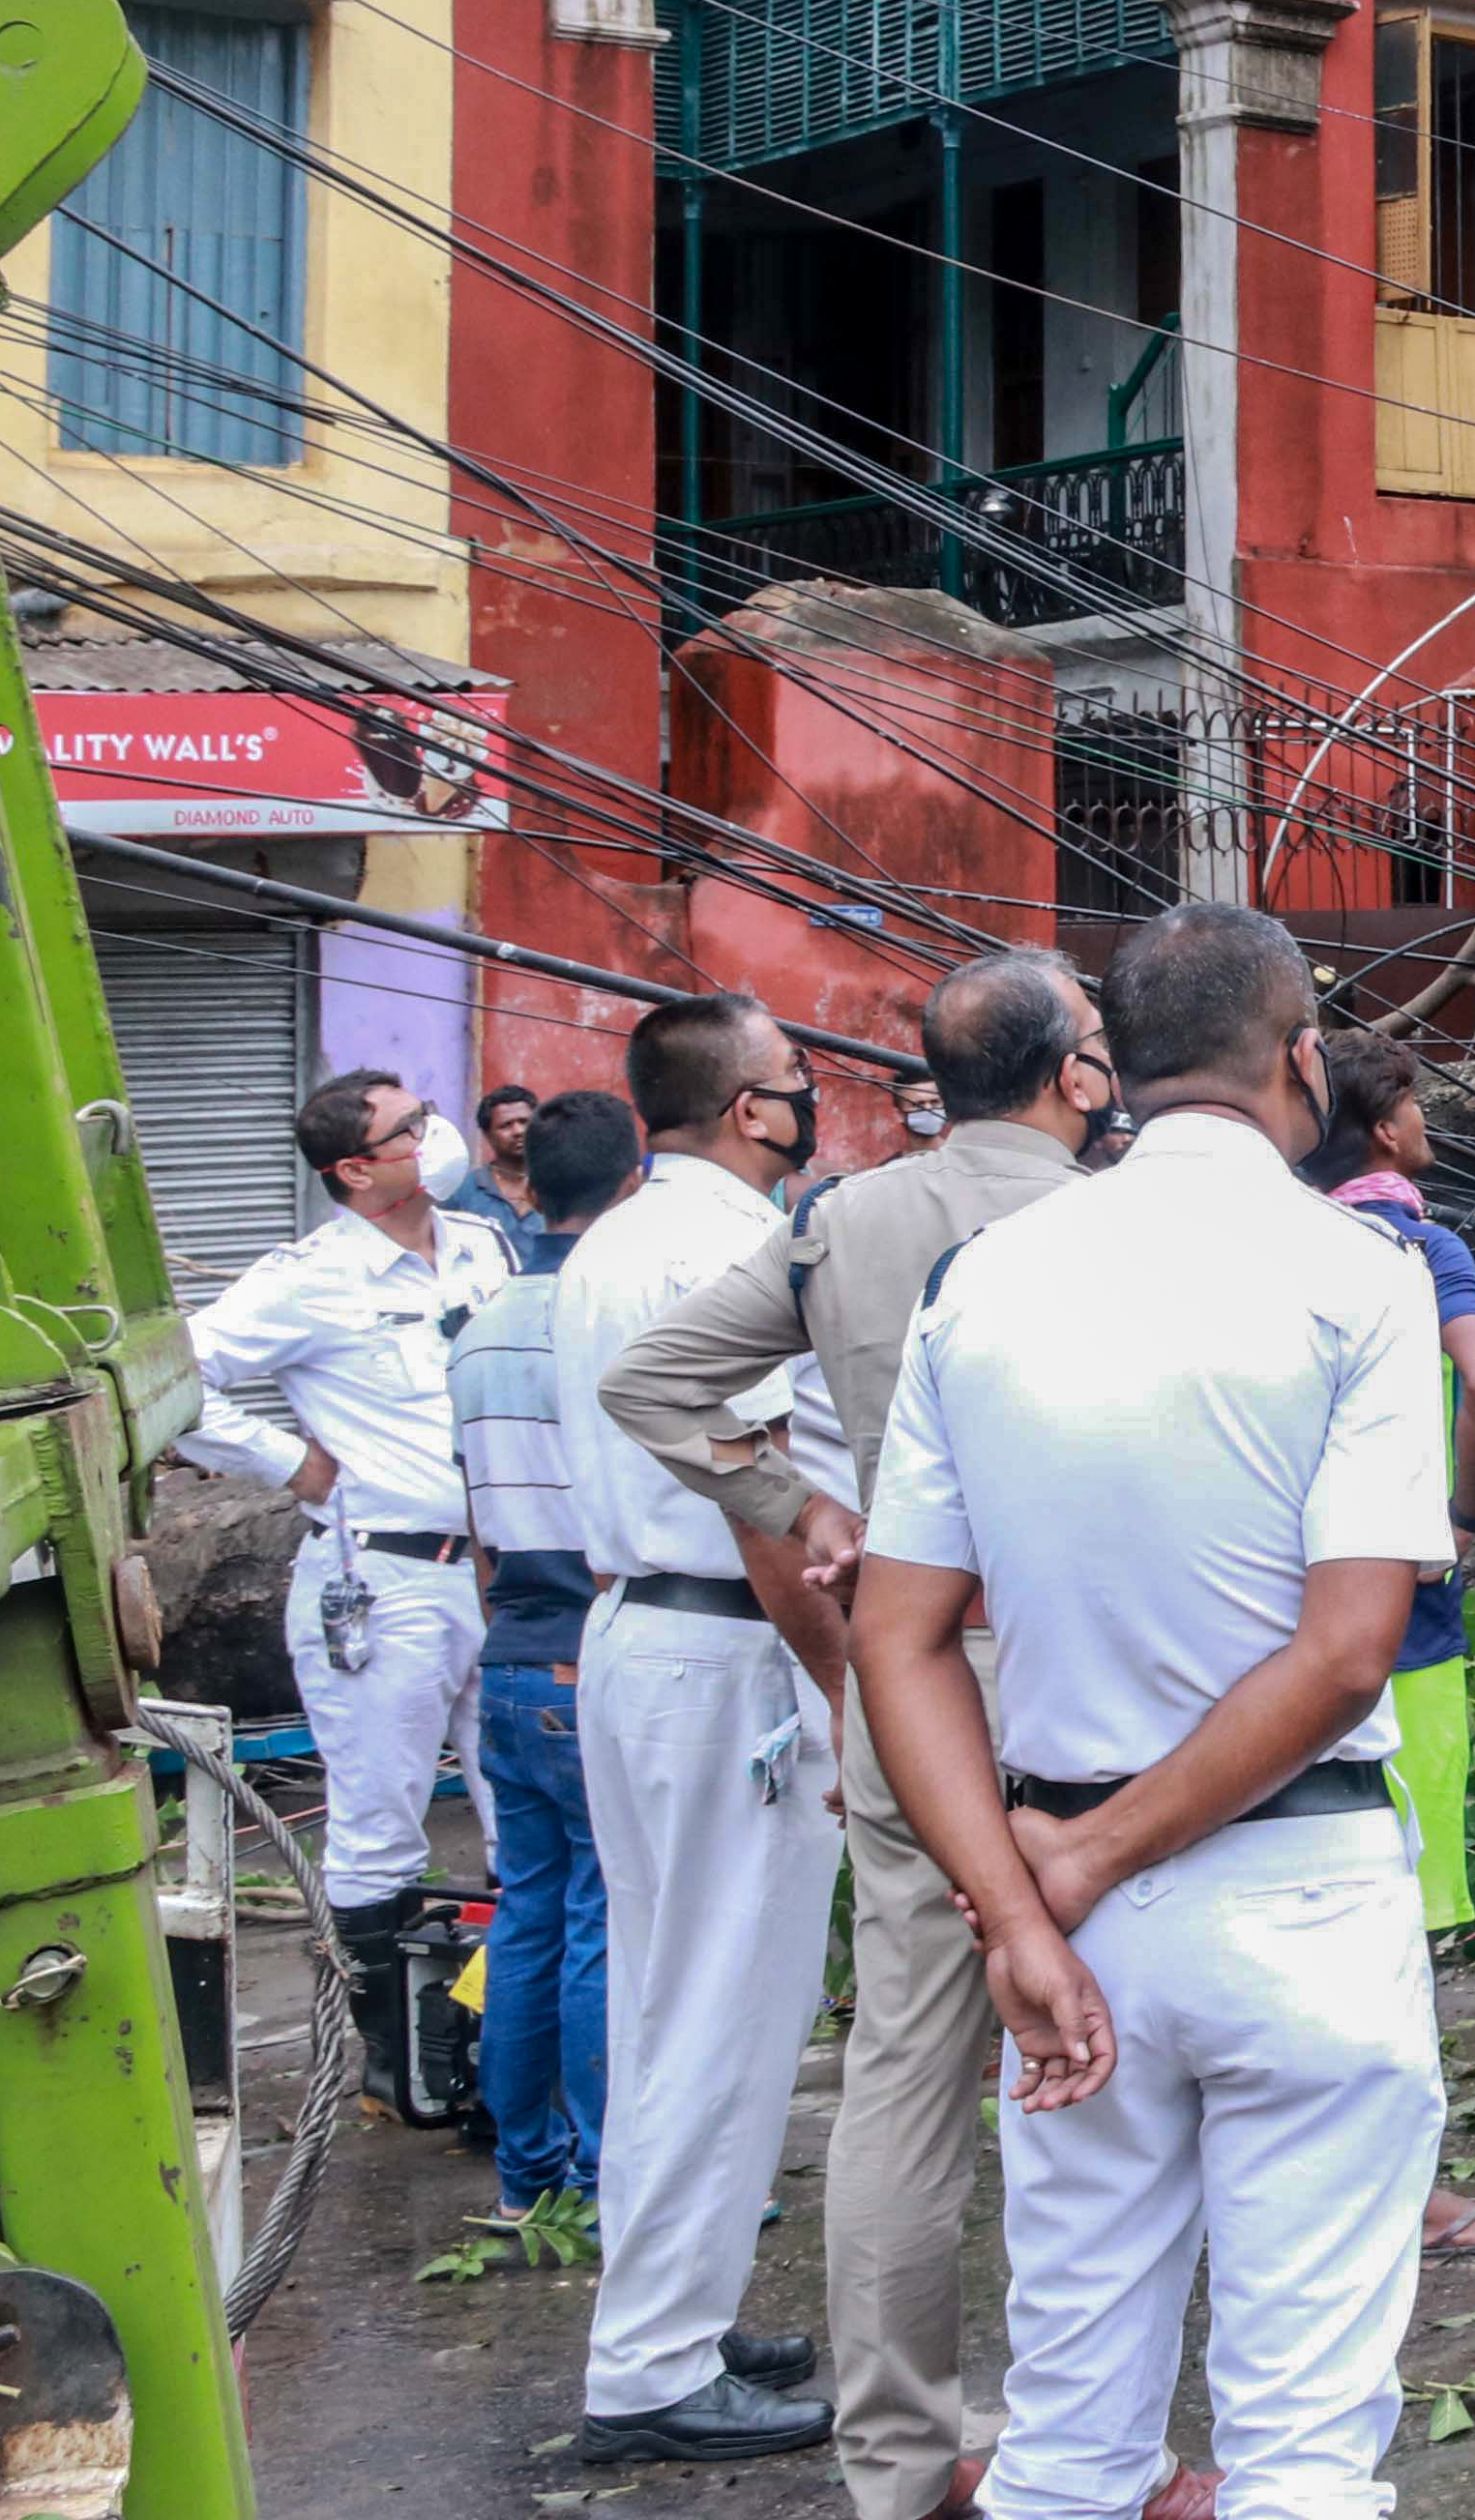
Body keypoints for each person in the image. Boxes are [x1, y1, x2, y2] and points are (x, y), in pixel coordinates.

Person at [855, 906, 1456, 2520]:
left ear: (1114, 1069)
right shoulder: (1362, 1273)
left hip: (1068, 1924)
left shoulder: (980, 1281)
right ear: (1300, 1060)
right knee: (1303, 2456)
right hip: (1290, 1897)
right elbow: (1345, 1655)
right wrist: (1083, 1864)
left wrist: (1022, 1907)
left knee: (1065, 2444)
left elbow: (894, 1636)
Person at [600, 952, 1116, 2520]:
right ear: (1070, 1075)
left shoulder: (845, 1222)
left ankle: (898, 2462)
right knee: (1130, 2053)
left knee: (904, 2072)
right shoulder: (1113, 1225)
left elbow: (655, 1381)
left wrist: (789, 1498)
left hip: (910, 1681)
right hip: (1102, 1682)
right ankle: (1095, 2442)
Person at [548, 991, 847, 2468]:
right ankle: (655, 2359)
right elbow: (766, 1498)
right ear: (749, 1110)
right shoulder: (736, 1246)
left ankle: (669, 2311)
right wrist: (851, 1692)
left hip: (636, 1633)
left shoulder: (613, 1238)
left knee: (672, 1999)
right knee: (726, 2007)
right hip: (728, 1645)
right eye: (798, 1082)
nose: (812, 1101)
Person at [177, 1067, 511, 2127]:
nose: (436, 1133)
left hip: (502, 1574)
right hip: (384, 1580)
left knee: (523, 1814)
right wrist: (288, 1464)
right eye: (410, 1127)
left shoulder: (481, 1245)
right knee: (378, 1828)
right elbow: (174, 1374)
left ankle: (495, 2052)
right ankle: (391, 2069)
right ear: (354, 1168)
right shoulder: (310, 1276)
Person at [1298, 1028, 1475, 2260]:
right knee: (1399, 1919)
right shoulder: (1418, 1243)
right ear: (1386, 1124)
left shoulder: (1278, 1245)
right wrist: (1460, 1514)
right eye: (1420, 1102)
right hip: (1408, 1621)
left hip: (1281, 1630)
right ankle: (1415, 2187)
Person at [444, 1086, 643, 2233]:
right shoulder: (603, 1314)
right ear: (630, 1185)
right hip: (584, 1644)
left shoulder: (477, 1327)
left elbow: (479, 1515)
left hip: (511, 1647)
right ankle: (620, 2182)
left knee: (528, 1909)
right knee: (602, 1917)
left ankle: (532, 2177)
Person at [438, 1081, 546, 1248]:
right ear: (487, 1135)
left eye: (524, 1122)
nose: (518, 1131)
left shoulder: (560, 1185)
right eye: (506, 1125)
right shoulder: (462, 1192)